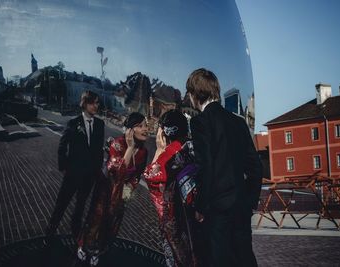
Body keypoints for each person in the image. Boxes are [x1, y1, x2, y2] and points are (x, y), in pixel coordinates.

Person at [186, 68, 263, 267]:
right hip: (241, 207)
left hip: (217, 209)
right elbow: (255, 165)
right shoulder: (238, 122)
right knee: (244, 259)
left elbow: (206, 166)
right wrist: (250, 201)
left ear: (195, 93)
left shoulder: (200, 122)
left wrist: (200, 207)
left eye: (189, 92)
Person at [77, 112, 148, 266]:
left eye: (146, 125)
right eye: (141, 126)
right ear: (130, 130)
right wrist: (129, 149)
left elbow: (137, 175)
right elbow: (116, 172)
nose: (146, 129)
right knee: (96, 218)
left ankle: (98, 250)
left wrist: (130, 188)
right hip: (106, 187)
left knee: (112, 222)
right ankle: (84, 245)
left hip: (122, 192)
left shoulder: (144, 152)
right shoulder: (117, 144)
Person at [144, 109, 203, 267]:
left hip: (179, 217)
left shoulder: (170, 154)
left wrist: (158, 150)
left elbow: (151, 178)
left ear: (163, 132)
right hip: (200, 211)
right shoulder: (195, 146)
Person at [45, 90, 104, 242]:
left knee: (80, 206)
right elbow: (62, 146)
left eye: (97, 103)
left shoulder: (100, 124)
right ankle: (49, 233)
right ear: (85, 104)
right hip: (72, 174)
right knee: (61, 205)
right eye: (92, 103)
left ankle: (75, 233)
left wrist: (97, 171)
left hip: (89, 176)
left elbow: (98, 151)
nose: (96, 106)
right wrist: (64, 167)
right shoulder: (73, 123)